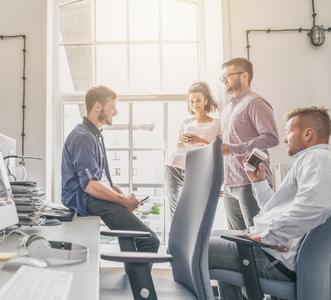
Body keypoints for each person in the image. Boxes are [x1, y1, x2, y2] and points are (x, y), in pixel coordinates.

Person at [209, 106, 331, 299]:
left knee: (199, 248)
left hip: (274, 257)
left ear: (308, 134)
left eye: (289, 131)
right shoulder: (312, 160)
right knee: (214, 234)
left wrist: (266, 236)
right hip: (274, 250)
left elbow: (316, 206)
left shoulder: (316, 158)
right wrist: (259, 182)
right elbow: (276, 211)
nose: (285, 138)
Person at [61, 85, 160, 253]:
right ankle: (138, 280)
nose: (116, 112)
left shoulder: (95, 135)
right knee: (150, 241)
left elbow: (104, 180)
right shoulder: (83, 137)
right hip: (85, 199)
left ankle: (132, 279)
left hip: (93, 198)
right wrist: (124, 201)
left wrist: (123, 197)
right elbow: (90, 185)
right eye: (112, 107)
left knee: (131, 237)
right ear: (98, 107)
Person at [220, 58, 279, 230]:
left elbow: (271, 137)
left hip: (250, 182)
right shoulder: (227, 109)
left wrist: (233, 149)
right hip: (229, 185)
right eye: (221, 77)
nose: (223, 80)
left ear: (244, 76)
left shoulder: (255, 102)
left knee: (257, 237)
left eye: (227, 75)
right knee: (236, 239)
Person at [166, 81, 220, 219]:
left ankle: (194, 240)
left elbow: (218, 150)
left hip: (198, 168)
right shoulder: (186, 123)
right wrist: (184, 142)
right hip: (175, 166)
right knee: (176, 210)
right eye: (192, 102)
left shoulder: (216, 124)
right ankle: (175, 241)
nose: (195, 104)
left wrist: (199, 140)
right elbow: (178, 146)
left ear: (205, 101)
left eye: (198, 100)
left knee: (197, 210)